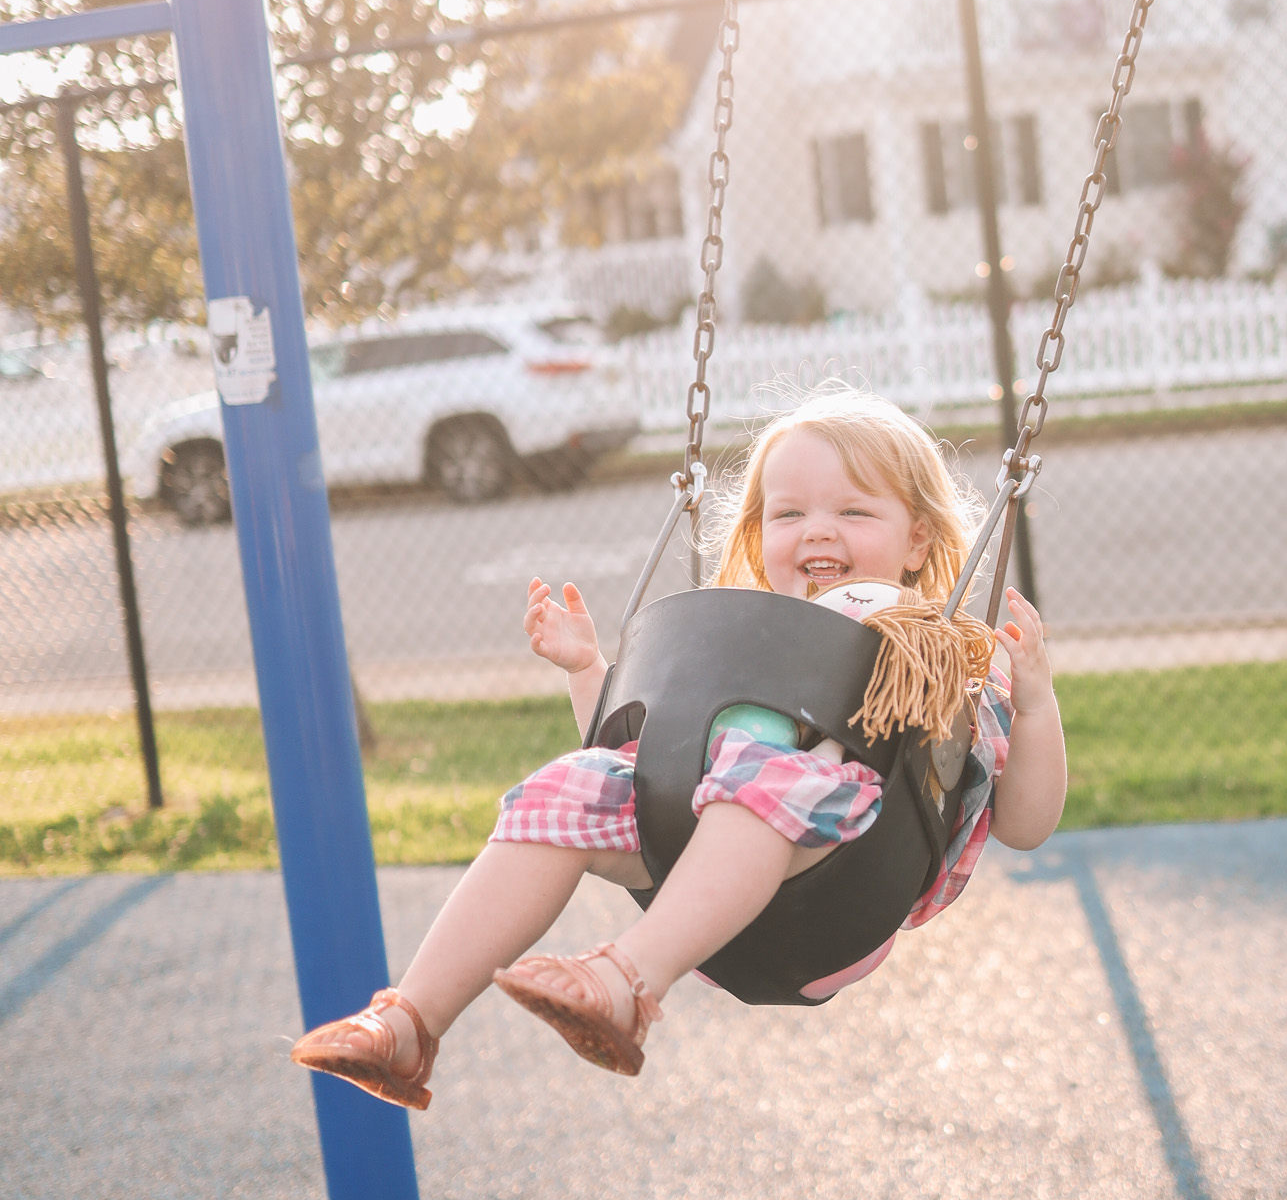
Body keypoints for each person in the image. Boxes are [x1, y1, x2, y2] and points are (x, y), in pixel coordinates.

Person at [294, 390, 1066, 1107]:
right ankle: (407, 1024)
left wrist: (1032, 703)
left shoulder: (947, 657)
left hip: (847, 888)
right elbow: (644, 757)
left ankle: (626, 981)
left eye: (854, 511)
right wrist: (588, 671)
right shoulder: (748, 639)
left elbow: (1026, 825)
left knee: (769, 771)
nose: (818, 530)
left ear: (917, 538)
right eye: (788, 512)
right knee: (571, 783)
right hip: (702, 880)